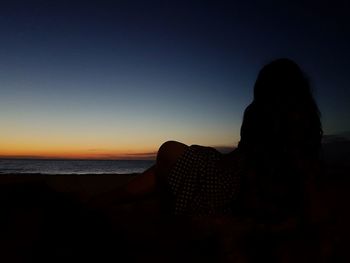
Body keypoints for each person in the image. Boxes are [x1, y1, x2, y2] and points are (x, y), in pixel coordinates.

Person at [90, 58, 323, 226]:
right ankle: (110, 200)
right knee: (170, 164)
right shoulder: (305, 118)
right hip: (238, 178)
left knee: (169, 152)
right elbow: (303, 169)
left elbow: (265, 166)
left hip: (235, 187)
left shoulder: (265, 114)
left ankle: (107, 200)